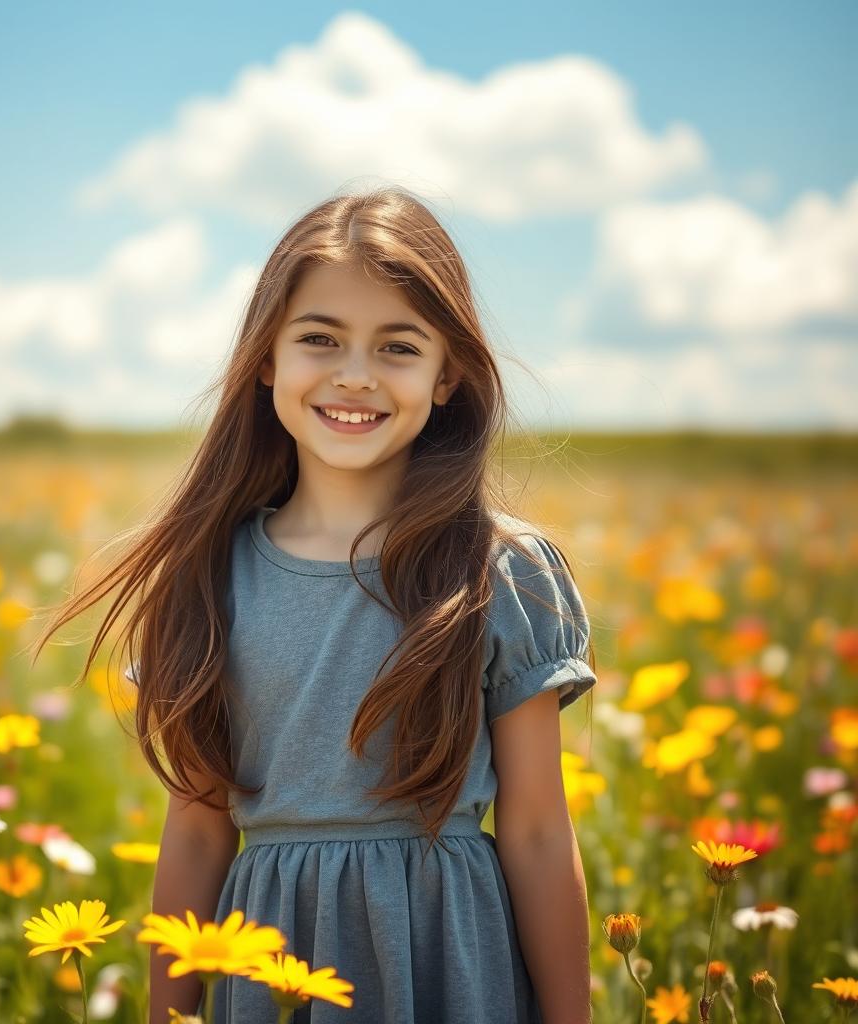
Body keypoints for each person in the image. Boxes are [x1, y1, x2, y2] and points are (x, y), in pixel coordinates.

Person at [34, 186, 598, 1024]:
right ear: (266, 360)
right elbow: (195, 832)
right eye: (319, 339)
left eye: (398, 346)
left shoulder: (501, 572)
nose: (355, 375)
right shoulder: (206, 578)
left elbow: (539, 834)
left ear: (449, 376)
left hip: (450, 963)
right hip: (268, 958)